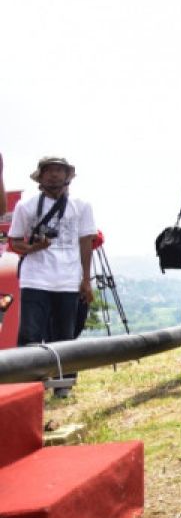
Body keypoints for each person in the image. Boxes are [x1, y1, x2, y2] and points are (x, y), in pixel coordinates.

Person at [9, 157, 96, 397]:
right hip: (35, 277)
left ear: (67, 175)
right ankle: (26, 388)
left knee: (64, 335)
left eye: (59, 170)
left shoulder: (81, 205)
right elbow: (14, 242)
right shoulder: (25, 206)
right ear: (41, 176)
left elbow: (86, 242)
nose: (54, 175)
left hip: (68, 278)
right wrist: (33, 248)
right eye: (49, 171)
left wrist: (86, 279)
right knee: (29, 334)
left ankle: (63, 387)